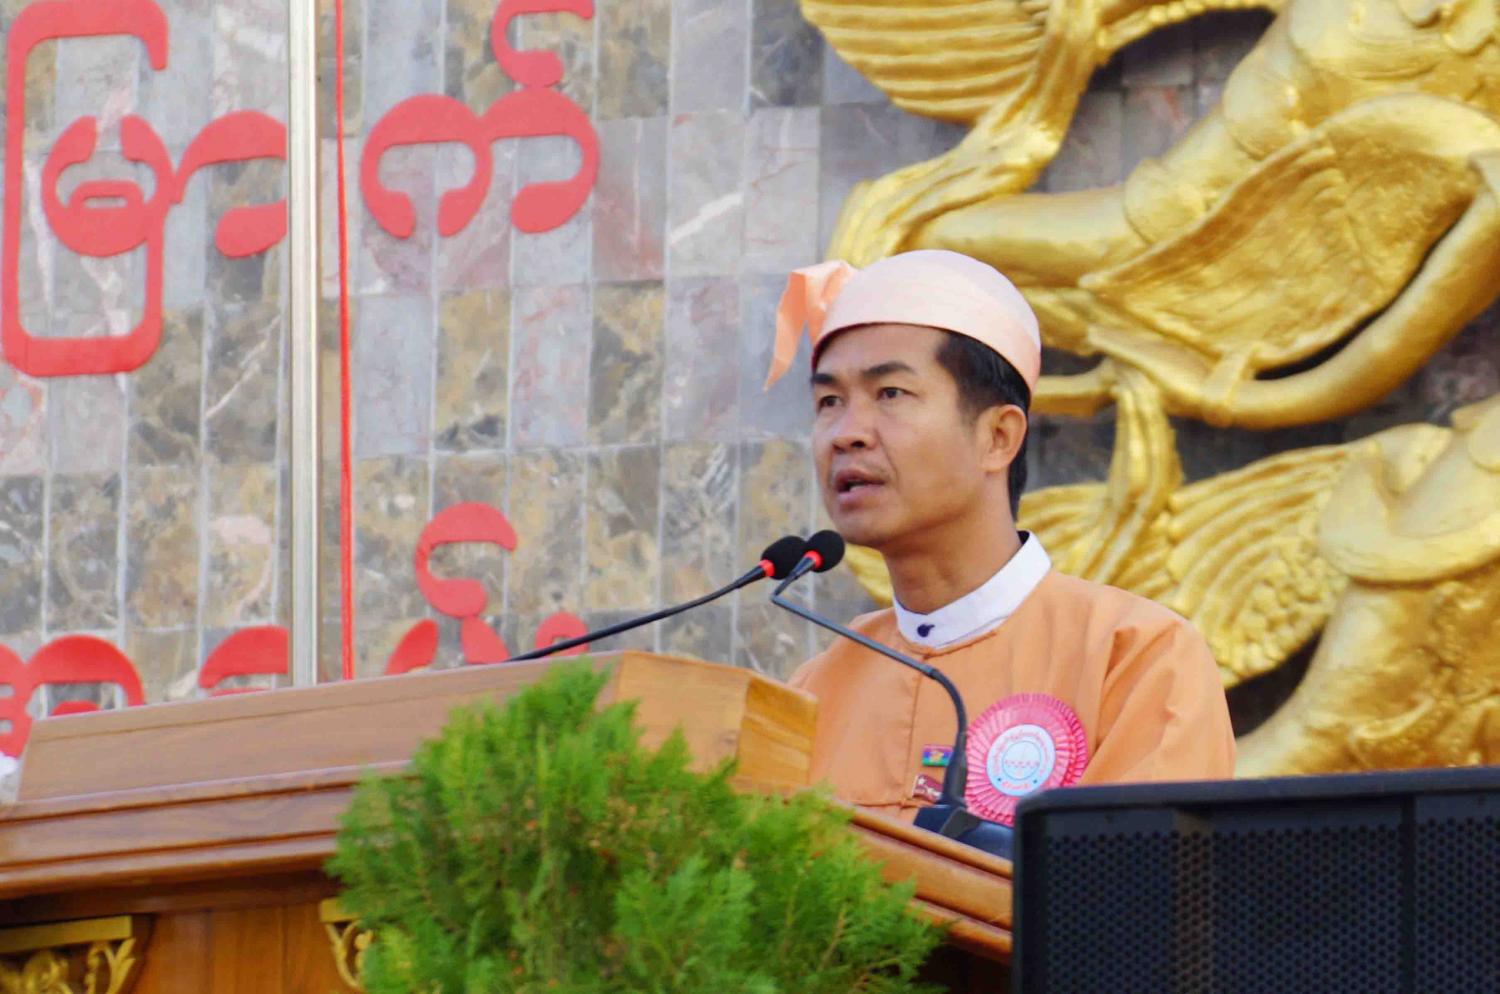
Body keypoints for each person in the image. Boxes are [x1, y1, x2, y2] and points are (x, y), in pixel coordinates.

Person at [768, 250, 1235, 823]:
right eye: (828, 402)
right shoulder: (814, 690)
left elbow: (1138, 875)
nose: (846, 433)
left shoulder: (1135, 657)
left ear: (998, 437)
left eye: (890, 393)